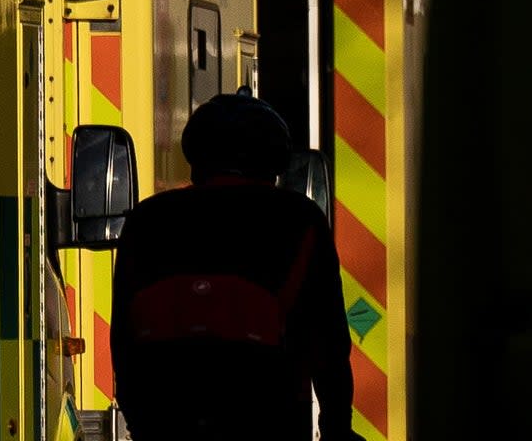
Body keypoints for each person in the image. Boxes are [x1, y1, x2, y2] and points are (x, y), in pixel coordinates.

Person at [110, 90, 364, 441]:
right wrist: (337, 427)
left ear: (196, 157)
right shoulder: (299, 220)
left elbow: (124, 339)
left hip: (167, 423)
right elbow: (329, 344)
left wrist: (142, 423)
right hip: (268, 422)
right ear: (274, 162)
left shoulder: (147, 220)